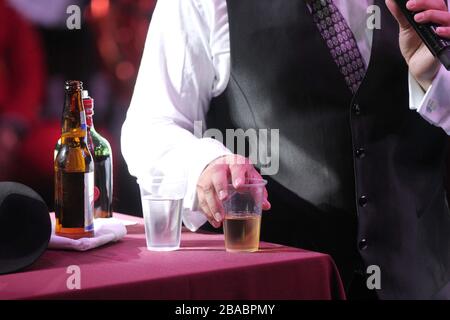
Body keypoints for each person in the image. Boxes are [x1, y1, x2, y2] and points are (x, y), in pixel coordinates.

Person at [121, 0, 450, 299]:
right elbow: (150, 126)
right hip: (283, 282)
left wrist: (437, 80)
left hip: (424, 280)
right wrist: (204, 163)